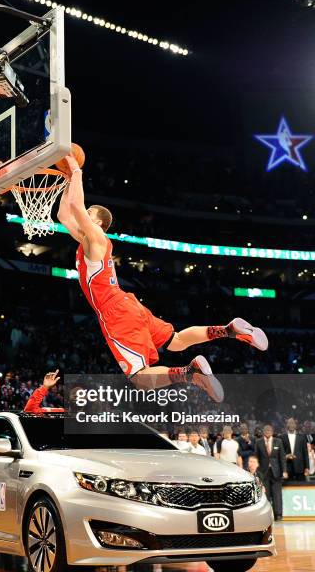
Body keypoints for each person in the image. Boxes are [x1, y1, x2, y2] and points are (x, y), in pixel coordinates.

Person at [57, 154, 269, 402]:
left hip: (115, 312)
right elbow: (64, 215)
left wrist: (77, 171)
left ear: (98, 222)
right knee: (176, 341)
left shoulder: (96, 239)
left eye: (90, 212)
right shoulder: (87, 242)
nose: (85, 213)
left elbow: (75, 208)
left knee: (139, 378)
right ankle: (228, 330)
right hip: (128, 305)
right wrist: (67, 180)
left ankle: (189, 373)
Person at [255, 425, 287, 521]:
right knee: (266, 494)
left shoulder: (278, 441)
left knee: (277, 494)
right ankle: (268, 515)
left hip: (276, 472)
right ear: (263, 432)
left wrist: (284, 470)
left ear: (272, 431)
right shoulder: (258, 442)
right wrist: (256, 472)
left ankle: (278, 514)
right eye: (266, 430)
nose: (268, 431)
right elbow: (256, 457)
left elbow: (282, 457)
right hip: (263, 472)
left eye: (269, 430)